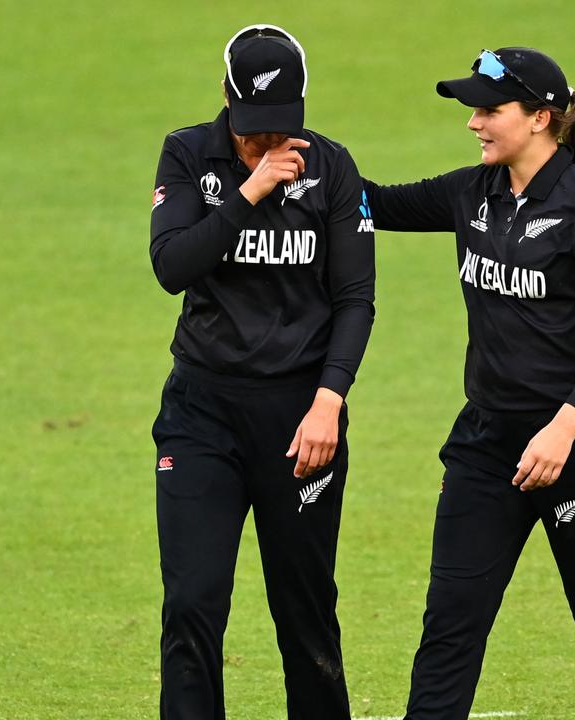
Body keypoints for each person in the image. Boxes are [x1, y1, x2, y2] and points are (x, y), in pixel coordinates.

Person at [362, 48, 575, 719]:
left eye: (488, 109)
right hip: (487, 448)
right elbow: (375, 203)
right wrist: (297, 160)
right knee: (449, 629)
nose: (473, 123)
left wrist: (565, 426)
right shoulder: (474, 192)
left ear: (540, 117)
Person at [147, 23, 374, 720]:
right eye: (252, 129)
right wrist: (247, 191)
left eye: (280, 130)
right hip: (202, 415)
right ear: (226, 97)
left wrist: (328, 402)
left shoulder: (334, 168)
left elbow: (355, 301)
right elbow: (171, 265)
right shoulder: (188, 155)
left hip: (301, 418)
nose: (268, 144)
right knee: (192, 604)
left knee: (305, 614)